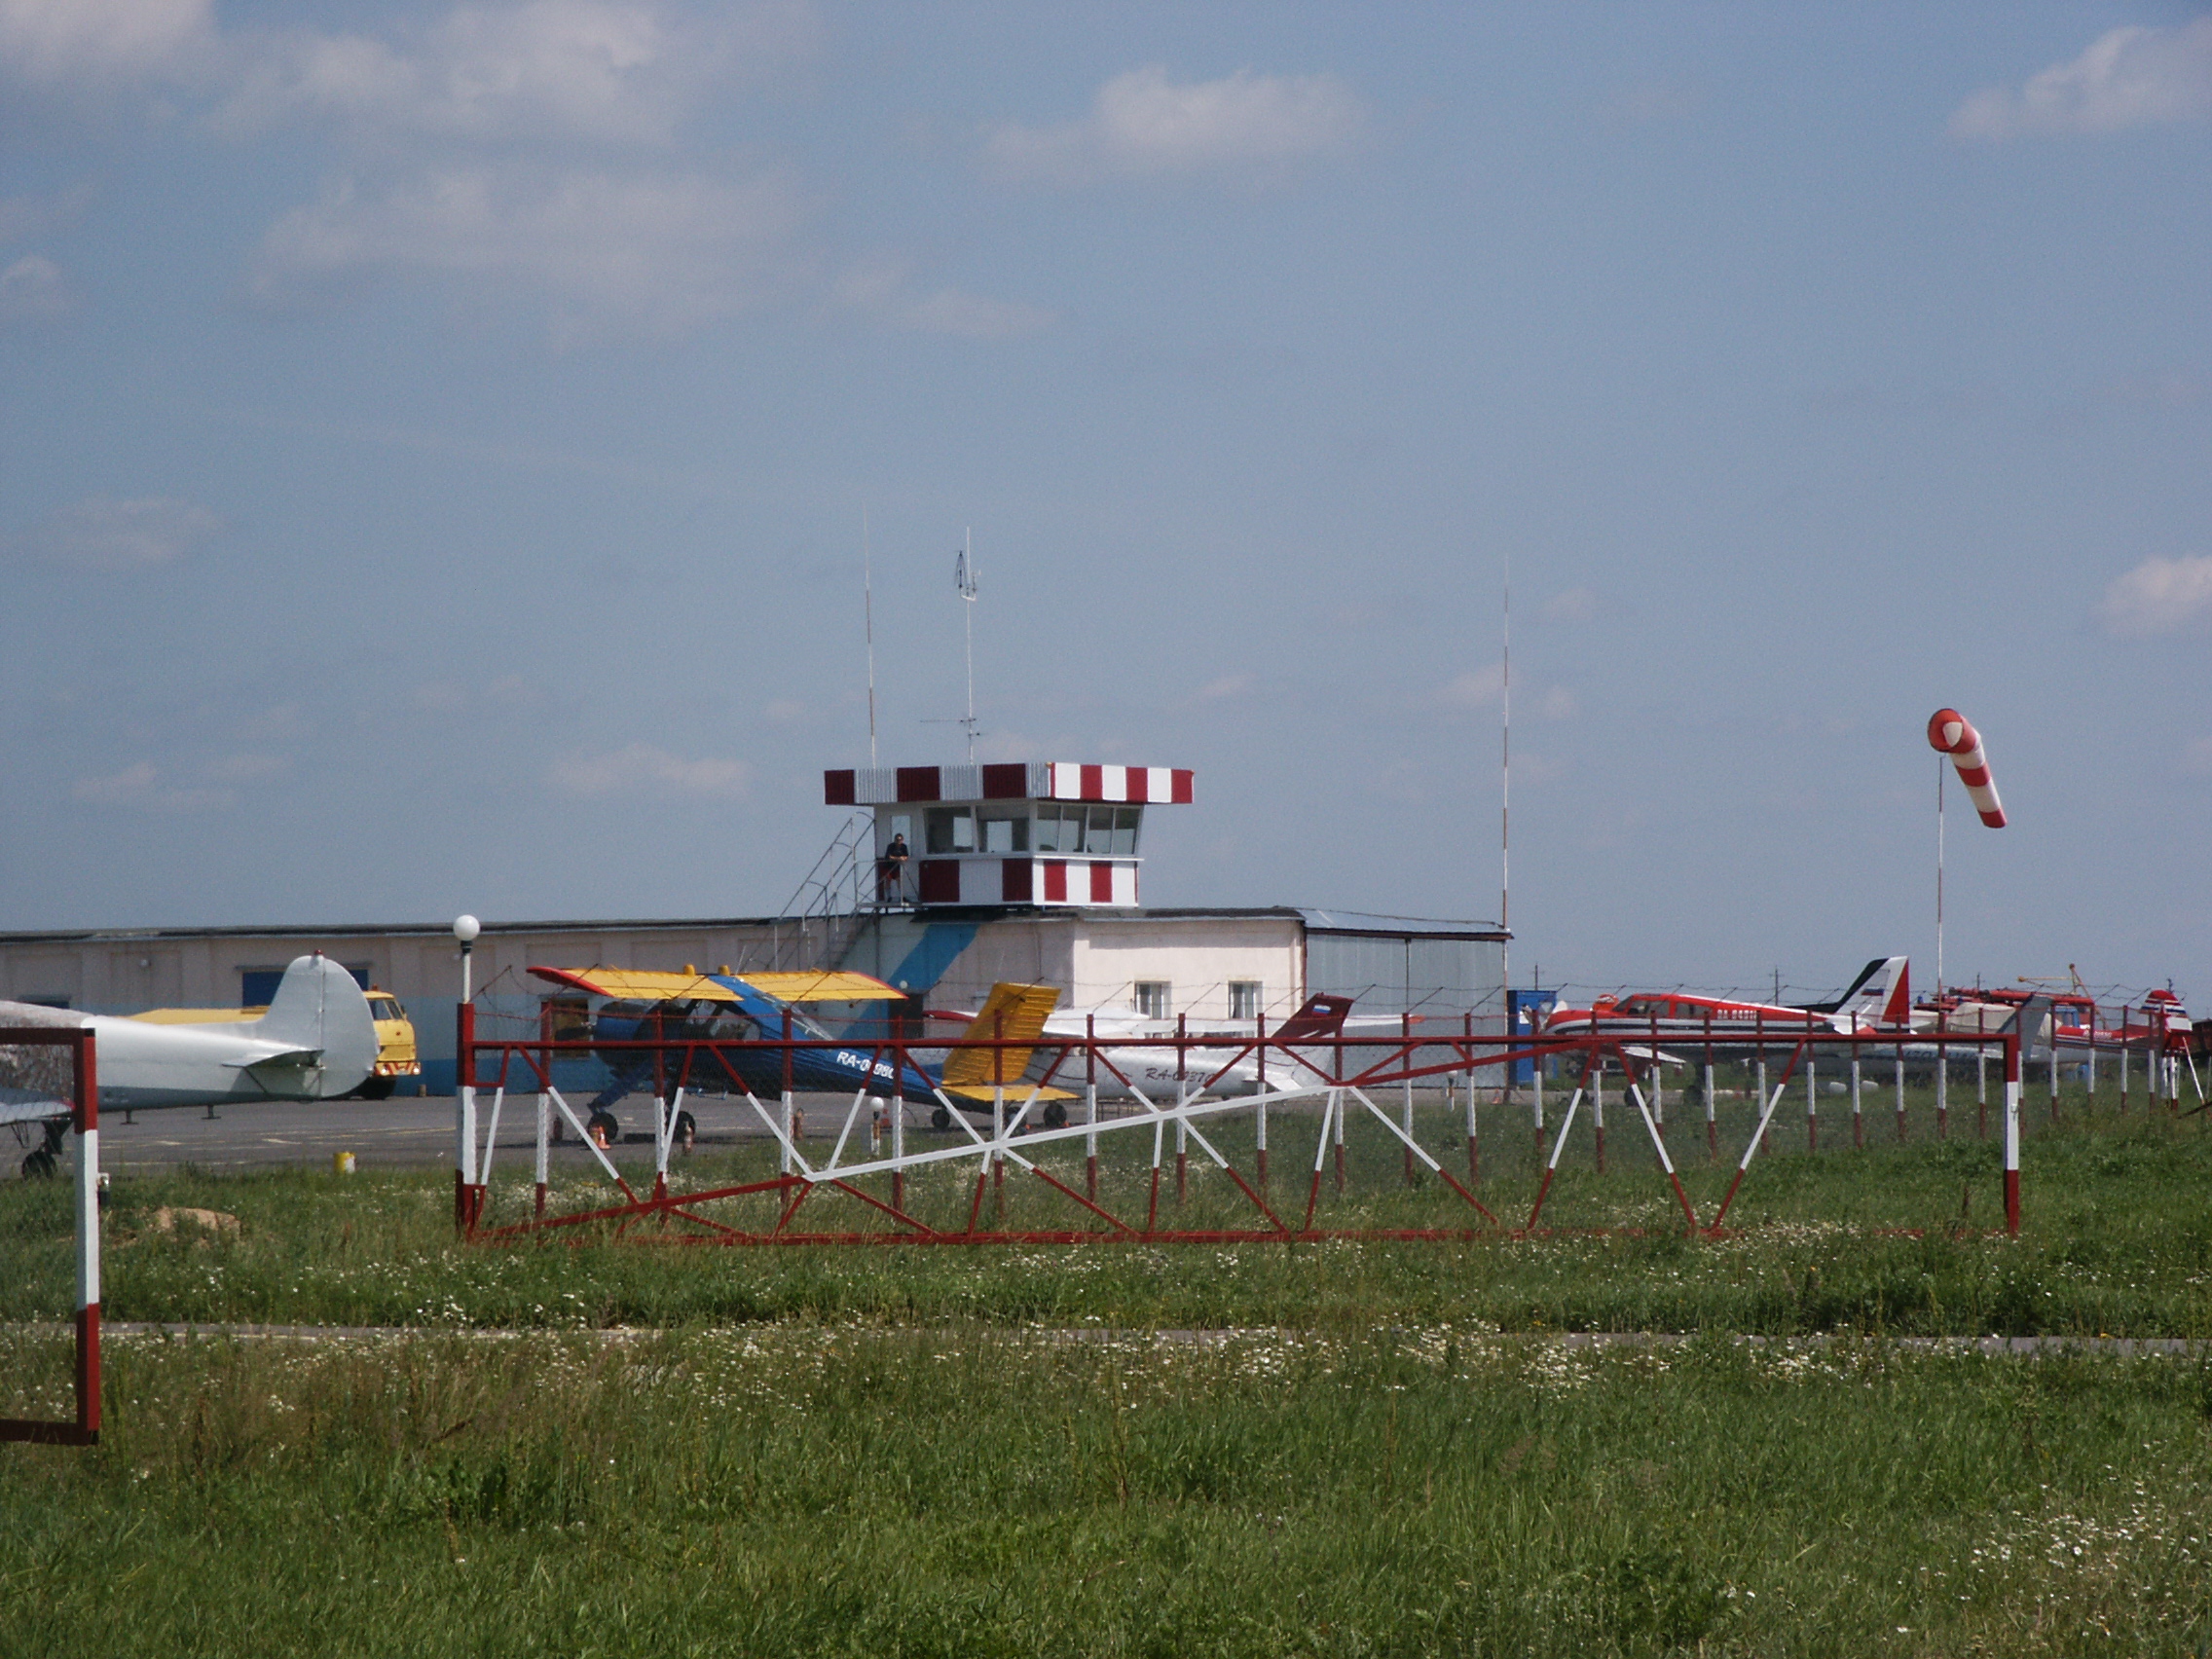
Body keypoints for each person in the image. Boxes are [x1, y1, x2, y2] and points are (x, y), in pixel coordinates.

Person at [877, 831, 909, 902]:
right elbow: (889, 856)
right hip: (889, 866)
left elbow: (906, 856)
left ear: (902, 840)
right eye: (897, 840)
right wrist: (899, 858)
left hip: (897, 866)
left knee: (899, 880)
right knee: (888, 880)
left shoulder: (904, 847)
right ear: (895, 840)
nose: (898, 841)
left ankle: (901, 897)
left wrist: (902, 858)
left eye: (900, 840)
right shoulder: (891, 846)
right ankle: (888, 897)